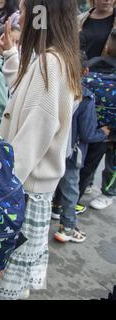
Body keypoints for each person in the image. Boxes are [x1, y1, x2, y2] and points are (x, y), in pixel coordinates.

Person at [0, 0, 83, 300]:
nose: (19, 16)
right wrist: (12, 51)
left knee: (10, 278)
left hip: (23, 189)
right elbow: (24, 96)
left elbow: (33, 136)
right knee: (18, 269)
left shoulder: (50, 65)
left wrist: (0, 188)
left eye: (24, 10)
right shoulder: (54, 59)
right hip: (31, 187)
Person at [52, 53, 110, 243]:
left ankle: (53, 209)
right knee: (71, 189)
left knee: (50, 186)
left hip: (51, 149)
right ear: (85, 71)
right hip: (71, 153)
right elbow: (87, 133)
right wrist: (103, 132)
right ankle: (67, 227)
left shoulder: (54, 90)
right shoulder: (85, 97)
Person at [79, 29, 116, 210]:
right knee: (111, 163)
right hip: (109, 129)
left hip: (91, 126)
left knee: (86, 161)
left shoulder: (92, 65)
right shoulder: (94, 63)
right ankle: (107, 192)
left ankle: (87, 187)